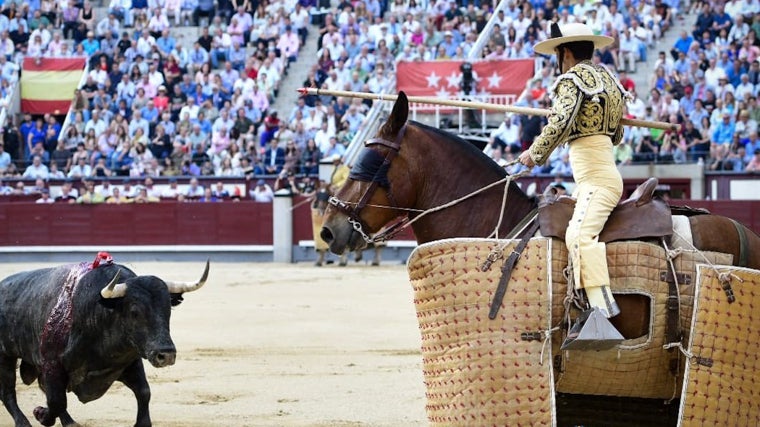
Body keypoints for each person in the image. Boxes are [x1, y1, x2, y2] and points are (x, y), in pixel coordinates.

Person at [519, 22, 627, 349]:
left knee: (578, 236)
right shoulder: (611, 82)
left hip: (596, 180)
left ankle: (601, 313)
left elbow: (561, 121)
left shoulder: (572, 80)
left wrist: (534, 154)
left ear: (565, 52)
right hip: (596, 177)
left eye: (557, 54)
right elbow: (618, 134)